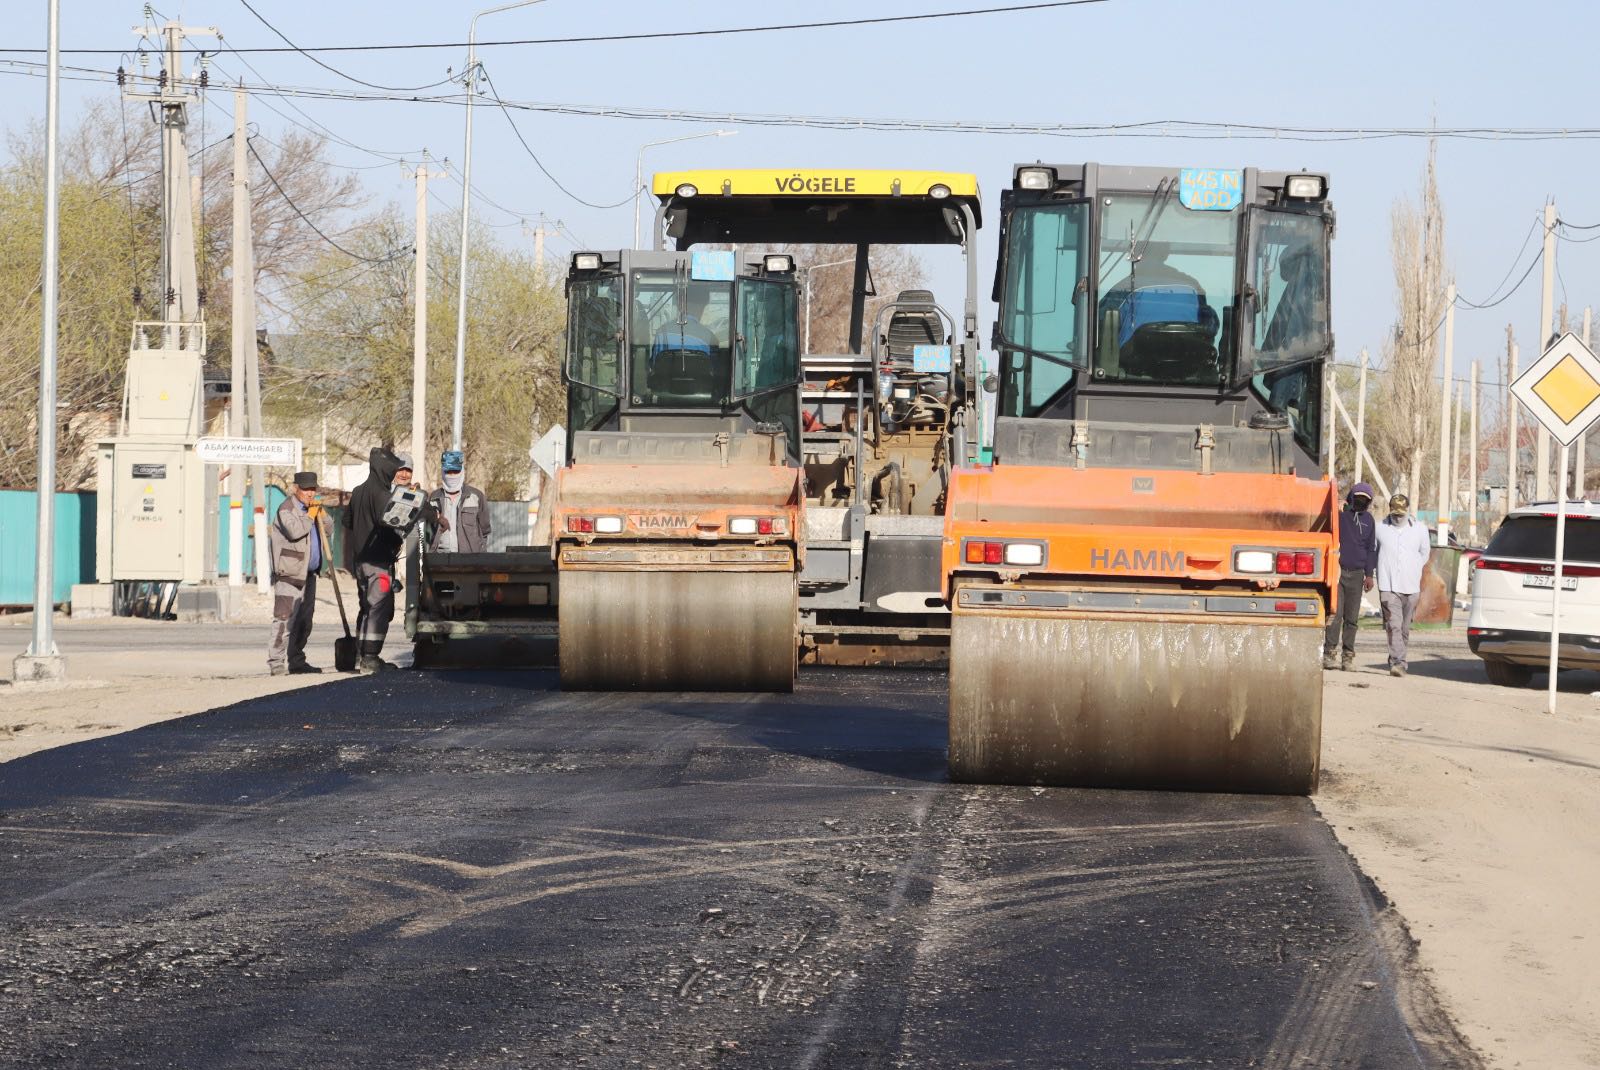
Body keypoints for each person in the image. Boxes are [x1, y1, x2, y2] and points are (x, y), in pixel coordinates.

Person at [342, 448, 442, 674]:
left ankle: (361, 655)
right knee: (379, 608)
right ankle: (370, 658)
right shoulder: (382, 495)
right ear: (385, 470)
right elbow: (394, 521)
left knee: (367, 607)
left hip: (360, 562)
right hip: (378, 562)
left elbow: (347, 522)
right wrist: (425, 511)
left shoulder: (358, 491)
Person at [267, 471, 325, 676]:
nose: (310, 493)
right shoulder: (286, 509)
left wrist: (322, 515)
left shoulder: (313, 510)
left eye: (313, 489)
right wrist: (310, 516)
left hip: (309, 573)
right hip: (289, 574)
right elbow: (295, 531)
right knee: (284, 619)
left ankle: (297, 661)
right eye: (306, 489)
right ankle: (276, 662)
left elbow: (328, 530)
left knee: (304, 621)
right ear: (295, 489)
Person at [1373, 492, 1432, 677]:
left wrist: (1413, 567)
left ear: (1407, 510)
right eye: (1395, 514)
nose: (1398, 517)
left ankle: (1397, 657)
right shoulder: (1379, 528)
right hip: (1388, 585)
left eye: (1401, 514)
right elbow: (1373, 551)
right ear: (1390, 511)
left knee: (1404, 628)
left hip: (1411, 586)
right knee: (1393, 625)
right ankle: (1398, 663)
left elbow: (1425, 553)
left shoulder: (1420, 529)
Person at [1324, 481, 1378, 671]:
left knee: (1352, 618)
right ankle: (1329, 653)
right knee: (1336, 615)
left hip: (1357, 574)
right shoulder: (1341, 515)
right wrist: (1337, 506)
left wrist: (1369, 575)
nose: (1361, 501)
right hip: (1338, 571)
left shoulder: (1369, 520)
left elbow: (1371, 549)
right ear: (1351, 498)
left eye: (1365, 499)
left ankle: (1347, 657)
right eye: (1358, 498)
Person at [427, 450, 491, 554]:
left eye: (455, 471)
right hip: (439, 558)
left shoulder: (476, 496)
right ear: (442, 471)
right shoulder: (434, 498)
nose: (452, 475)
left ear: (461, 470)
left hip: (469, 559)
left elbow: (485, 530)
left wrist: (480, 554)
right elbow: (427, 531)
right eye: (448, 471)